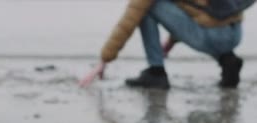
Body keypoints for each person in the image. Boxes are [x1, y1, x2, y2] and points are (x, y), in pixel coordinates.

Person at [90, 0, 245, 90]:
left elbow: (129, 20)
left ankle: (156, 73)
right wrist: (171, 42)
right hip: (235, 31)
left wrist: (105, 59)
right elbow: (192, 8)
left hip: (214, 36)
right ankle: (228, 60)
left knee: (147, 8)